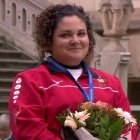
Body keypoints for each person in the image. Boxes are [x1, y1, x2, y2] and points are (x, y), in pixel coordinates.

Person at [8, 4, 137, 140]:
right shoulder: (30, 80)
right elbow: (27, 130)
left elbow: (130, 126)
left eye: (81, 34)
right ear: (48, 42)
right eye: (65, 35)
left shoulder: (111, 83)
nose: (75, 40)